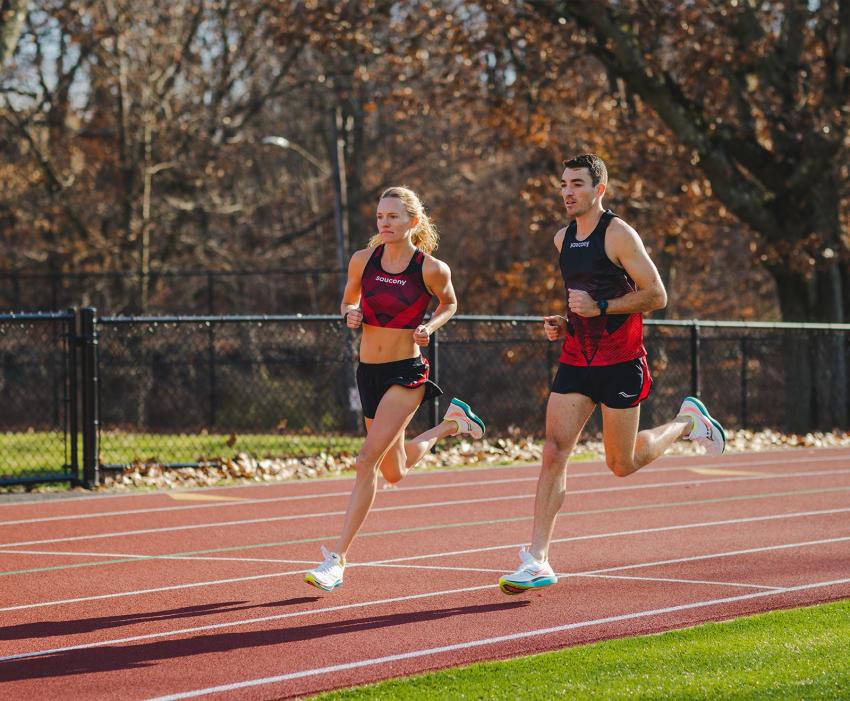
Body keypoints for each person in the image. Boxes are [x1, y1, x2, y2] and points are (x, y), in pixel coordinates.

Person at [498, 154, 725, 595]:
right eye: (563, 184)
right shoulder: (563, 239)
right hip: (575, 360)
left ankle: (686, 422)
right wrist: (565, 323)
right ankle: (538, 558)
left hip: (620, 363)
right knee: (553, 450)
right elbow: (580, 300)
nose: (567, 192)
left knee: (621, 464)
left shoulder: (618, 233)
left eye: (577, 184)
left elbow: (657, 296)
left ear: (599, 190)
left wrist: (600, 308)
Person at [305, 186, 485, 592]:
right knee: (394, 469)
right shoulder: (362, 260)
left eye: (393, 217)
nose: (384, 223)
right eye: (380, 217)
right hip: (367, 372)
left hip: (406, 372)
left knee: (366, 460)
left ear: (412, 222)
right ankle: (452, 425)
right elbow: (348, 300)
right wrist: (349, 313)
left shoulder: (431, 268)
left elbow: (450, 303)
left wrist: (429, 327)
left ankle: (337, 561)